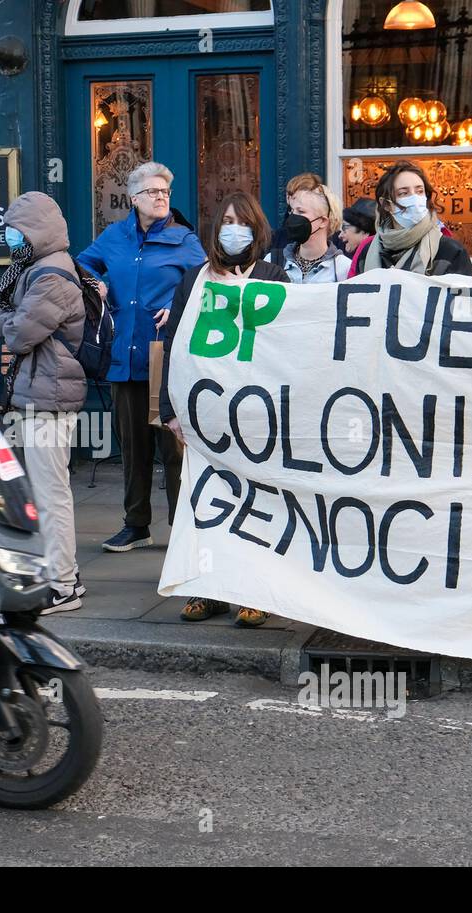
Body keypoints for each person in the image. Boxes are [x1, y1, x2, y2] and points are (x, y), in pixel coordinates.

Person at [159, 192, 287, 628]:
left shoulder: (274, 276)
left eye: (242, 222)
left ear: (256, 228)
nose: (234, 229)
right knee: (205, 500)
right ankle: (207, 589)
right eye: (226, 220)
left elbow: (286, 347)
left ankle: (255, 591)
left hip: (255, 412)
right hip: (204, 411)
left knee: (255, 500)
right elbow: (174, 346)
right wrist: (169, 409)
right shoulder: (194, 280)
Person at [77, 161, 205, 552]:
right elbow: (81, 264)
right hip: (124, 353)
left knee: (172, 447)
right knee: (132, 447)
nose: (161, 196)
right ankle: (136, 524)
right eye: (153, 191)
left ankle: (185, 525)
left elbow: (206, 280)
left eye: (165, 191)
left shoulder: (184, 239)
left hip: (161, 355)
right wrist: (95, 284)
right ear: (134, 198)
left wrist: (175, 302)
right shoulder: (114, 236)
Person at [0, 192, 90, 614]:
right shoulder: (35, 270)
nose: (11, 238)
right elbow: (8, 320)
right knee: (47, 490)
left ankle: (62, 584)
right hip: (40, 393)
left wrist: (5, 319)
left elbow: (16, 333)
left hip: (49, 397)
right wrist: (7, 317)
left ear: (36, 232)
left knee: (51, 494)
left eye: (17, 231)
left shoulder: (49, 276)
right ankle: (64, 570)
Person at [351, 161, 472, 278]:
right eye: (404, 193)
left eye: (420, 191)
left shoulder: (450, 251)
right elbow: (355, 297)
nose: (414, 198)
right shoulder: (368, 252)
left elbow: (467, 299)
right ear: (386, 204)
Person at [273, 181, 353, 283]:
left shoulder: (343, 269)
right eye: (292, 211)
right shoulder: (273, 261)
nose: (293, 217)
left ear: (323, 221)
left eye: (301, 211)